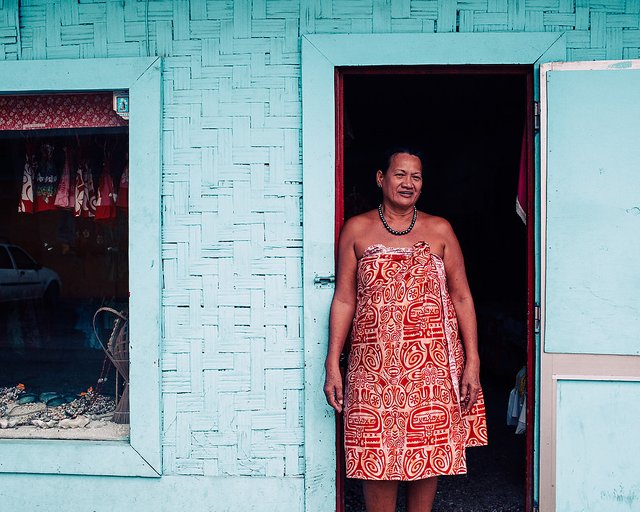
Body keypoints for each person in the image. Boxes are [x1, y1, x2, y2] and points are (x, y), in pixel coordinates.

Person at [324, 147, 488, 512]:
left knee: (425, 457)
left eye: (416, 176)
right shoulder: (357, 229)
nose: (408, 183)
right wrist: (332, 362)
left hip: (430, 372)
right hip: (373, 369)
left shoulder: (440, 229)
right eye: (400, 174)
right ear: (381, 178)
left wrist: (472, 362)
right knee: (376, 460)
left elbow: (462, 297)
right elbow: (344, 300)